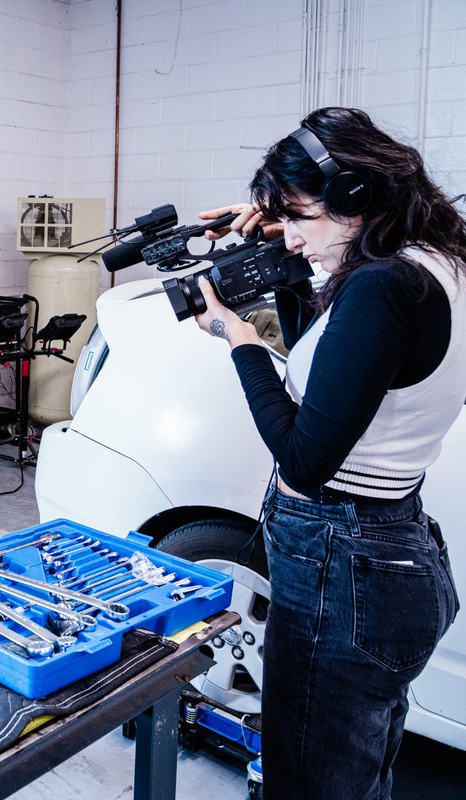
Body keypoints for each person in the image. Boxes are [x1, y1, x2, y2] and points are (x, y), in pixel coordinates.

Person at [195, 107, 463, 799]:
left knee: (310, 780)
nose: (292, 235)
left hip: (343, 559)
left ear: (354, 199)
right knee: (352, 771)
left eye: (302, 216)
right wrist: (289, 272)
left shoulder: (383, 287)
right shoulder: (436, 262)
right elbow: (332, 370)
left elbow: (305, 457)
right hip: (386, 547)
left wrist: (237, 337)